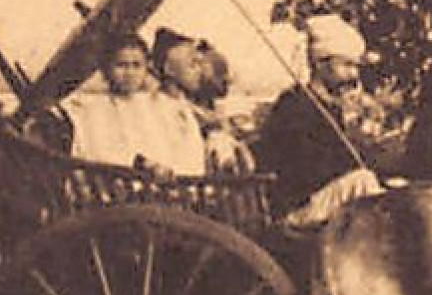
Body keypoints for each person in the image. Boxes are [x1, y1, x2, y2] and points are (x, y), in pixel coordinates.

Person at [252, 14, 403, 229]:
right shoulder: (294, 106)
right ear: (320, 64)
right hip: (298, 209)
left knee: (394, 188)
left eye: (355, 67)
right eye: (346, 65)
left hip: (323, 198)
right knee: (363, 182)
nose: (353, 75)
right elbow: (304, 173)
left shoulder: (328, 107)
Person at [64, 33, 207, 178]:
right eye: (121, 65)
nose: (130, 73)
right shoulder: (94, 107)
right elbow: (98, 150)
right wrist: (143, 164)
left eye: (136, 65)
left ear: (146, 69)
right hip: (118, 182)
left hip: (161, 183)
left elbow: (170, 148)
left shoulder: (156, 105)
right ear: (106, 69)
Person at [150, 27, 256, 173]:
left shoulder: (187, 104)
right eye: (192, 65)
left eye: (200, 64)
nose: (200, 71)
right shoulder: (160, 106)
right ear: (169, 70)